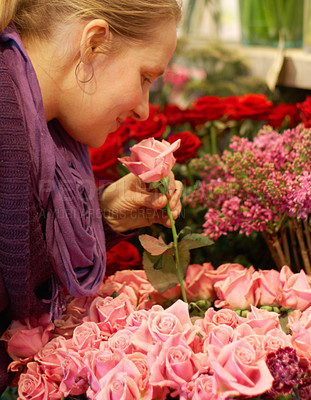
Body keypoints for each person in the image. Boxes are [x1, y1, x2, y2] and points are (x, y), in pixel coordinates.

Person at [0, 0, 183, 393]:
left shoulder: (38, 124)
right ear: (94, 43)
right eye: (145, 76)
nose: (143, 110)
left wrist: (105, 217)